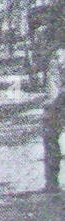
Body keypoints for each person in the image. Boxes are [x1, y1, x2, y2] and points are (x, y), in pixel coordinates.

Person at [42, 21, 65, 193]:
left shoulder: (58, 56)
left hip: (60, 103)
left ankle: (52, 181)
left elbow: (53, 85)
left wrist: (51, 105)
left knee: (50, 135)